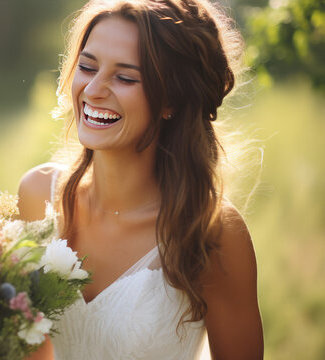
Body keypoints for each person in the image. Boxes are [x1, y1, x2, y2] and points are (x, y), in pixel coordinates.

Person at [17, 0, 264, 359]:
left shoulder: (212, 231)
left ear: (172, 100)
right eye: (87, 67)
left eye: (125, 77)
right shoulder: (37, 195)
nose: (93, 90)